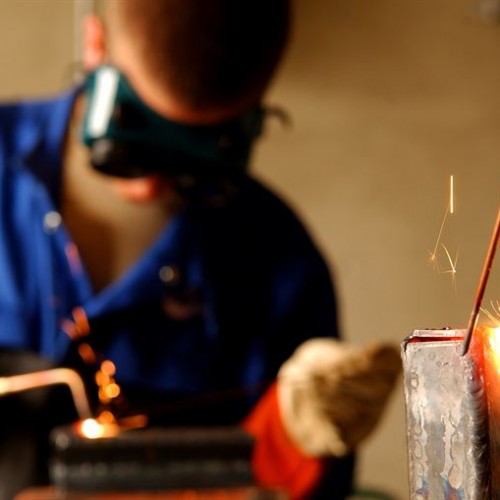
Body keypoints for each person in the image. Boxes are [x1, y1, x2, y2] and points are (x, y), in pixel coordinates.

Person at [0, 1, 401, 499]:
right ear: (94, 45)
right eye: (130, 140)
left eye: (190, 162)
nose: (148, 187)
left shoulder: (276, 262)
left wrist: (295, 435)